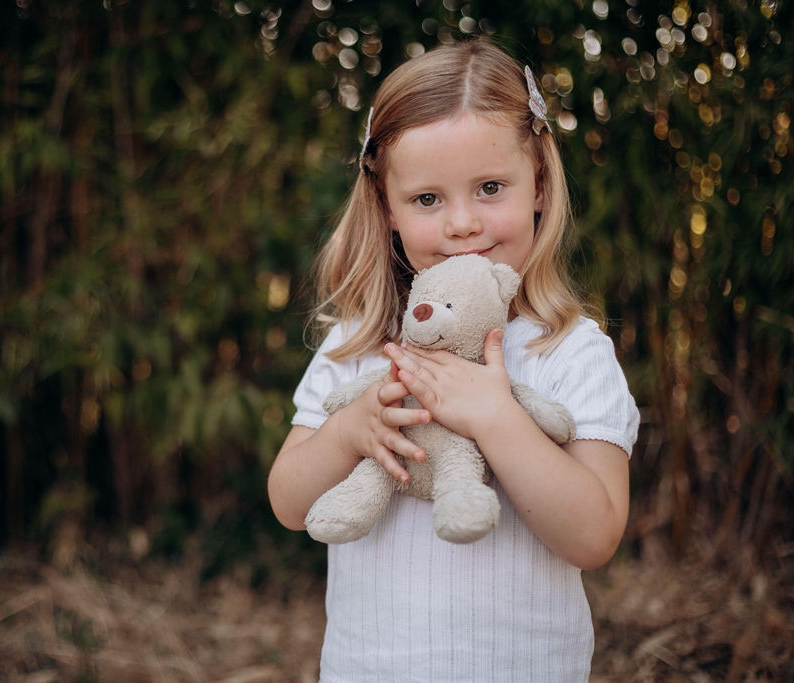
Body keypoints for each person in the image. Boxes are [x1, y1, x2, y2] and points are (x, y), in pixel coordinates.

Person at [267, 39, 640, 682]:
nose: (462, 223)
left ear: (539, 185)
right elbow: (289, 503)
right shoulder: (359, 344)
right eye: (427, 199)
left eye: (490, 187)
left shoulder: (570, 351)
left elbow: (594, 535)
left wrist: (496, 417)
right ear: (387, 206)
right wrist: (349, 432)